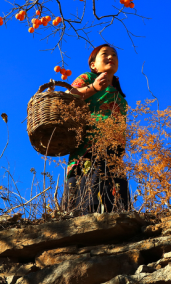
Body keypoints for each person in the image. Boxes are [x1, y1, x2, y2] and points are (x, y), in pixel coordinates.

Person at [65, 44, 130, 213]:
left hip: (113, 148)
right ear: (93, 64)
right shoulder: (87, 78)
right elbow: (67, 97)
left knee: (115, 191)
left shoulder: (117, 91)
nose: (111, 57)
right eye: (105, 54)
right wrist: (93, 88)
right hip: (89, 144)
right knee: (88, 185)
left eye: (114, 55)